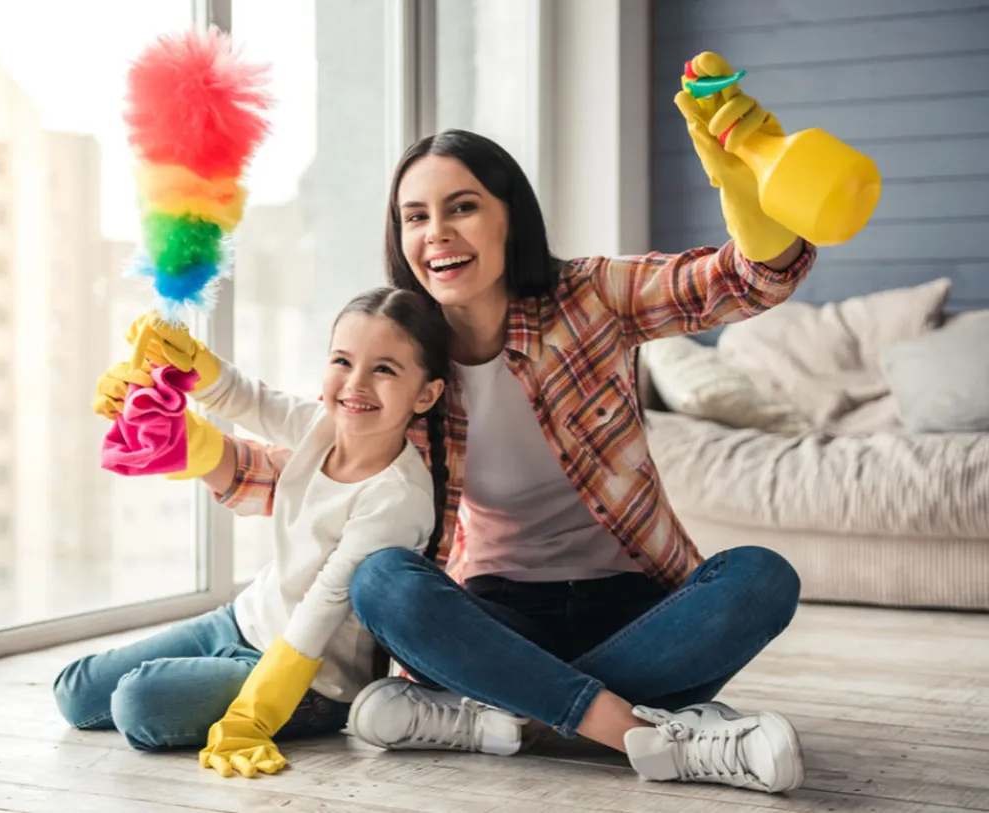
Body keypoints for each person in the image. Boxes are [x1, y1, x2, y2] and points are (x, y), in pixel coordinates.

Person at [212, 52, 813, 794]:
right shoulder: (408, 353)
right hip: (493, 616)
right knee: (384, 582)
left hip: (634, 607)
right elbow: (324, 471)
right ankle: (643, 731)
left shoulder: (591, 295)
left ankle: (504, 714)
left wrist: (738, 179)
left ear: (509, 216)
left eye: (461, 207)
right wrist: (188, 443)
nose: (437, 233)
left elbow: (754, 279)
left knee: (761, 578)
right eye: (415, 216)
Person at [54, 287, 456, 779]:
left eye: (384, 369)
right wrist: (190, 360)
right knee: (74, 692)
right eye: (342, 361)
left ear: (426, 394)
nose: (356, 384)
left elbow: (324, 603)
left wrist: (253, 715)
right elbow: (249, 398)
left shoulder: (396, 496)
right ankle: (214, 676)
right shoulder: (321, 425)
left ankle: (245, 694)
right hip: (241, 623)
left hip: (312, 678)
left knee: (138, 704)